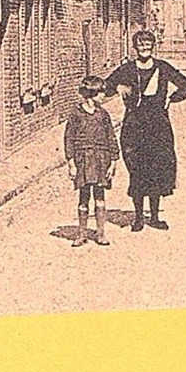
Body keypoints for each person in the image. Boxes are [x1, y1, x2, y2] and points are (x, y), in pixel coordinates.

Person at [105, 29, 186, 232]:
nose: (144, 48)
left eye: (148, 44)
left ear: (153, 46)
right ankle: (138, 217)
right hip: (134, 126)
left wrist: (171, 99)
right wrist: (118, 88)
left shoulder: (162, 68)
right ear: (135, 47)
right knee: (136, 169)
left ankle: (154, 216)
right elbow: (105, 86)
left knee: (157, 168)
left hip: (158, 126)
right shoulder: (127, 69)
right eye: (140, 44)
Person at [63, 74, 118, 247]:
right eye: (101, 93)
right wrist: (71, 164)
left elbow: (111, 138)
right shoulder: (76, 114)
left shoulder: (103, 115)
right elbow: (69, 139)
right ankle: (82, 233)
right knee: (84, 197)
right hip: (83, 160)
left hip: (101, 159)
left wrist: (113, 161)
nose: (104, 96)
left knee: (100, 197)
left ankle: (101, 233)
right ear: (90, 93)